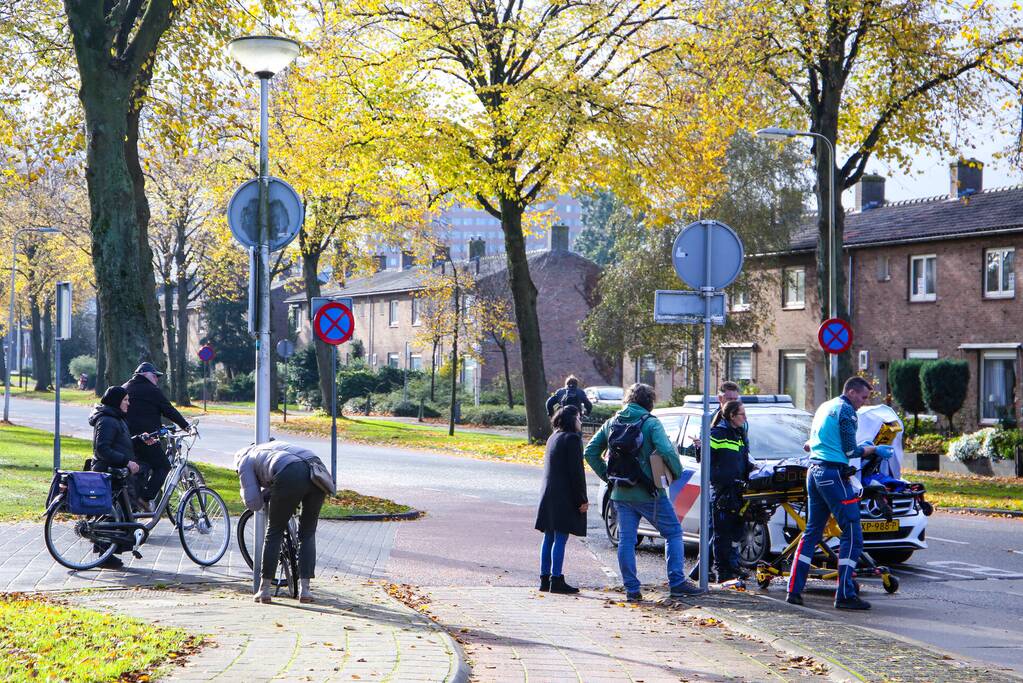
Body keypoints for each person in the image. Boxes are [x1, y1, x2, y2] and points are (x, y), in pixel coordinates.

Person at [584, 383, 701, 602]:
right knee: (673, 533)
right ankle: (677, 583)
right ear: (649, 402)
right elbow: (666, 450)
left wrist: (608, 477)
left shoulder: (612, 422)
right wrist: (676, 472)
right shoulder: (651, 423)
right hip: (650, 493)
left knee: (626, 540)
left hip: (621, 493)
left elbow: (590, 452)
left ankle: (631, 589)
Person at [786, 376, 893, 610]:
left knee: (812, 532)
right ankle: (844, 594)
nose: (863, 403)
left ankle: (793, 589)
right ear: (852, 392)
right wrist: (875, 448)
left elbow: (809, 444)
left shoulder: (826, 406)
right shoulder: (846, 411)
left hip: (814, 472)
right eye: (863, 397)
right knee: (852, 532)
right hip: (833, 474)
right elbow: (850, 450)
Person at [235, 441, 328, 604]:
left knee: (274, 531)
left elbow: (253, 503)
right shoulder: (272, 448)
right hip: (318, 470)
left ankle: (264, 590)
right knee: (307, 533)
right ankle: (305, 591)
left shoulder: (244, 460)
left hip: (290, 473)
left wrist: (259, 495)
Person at [535, 405, 589, 594]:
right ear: (572, 419)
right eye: (578, 418)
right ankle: (556, 579)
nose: (580, 421)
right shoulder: (572, 439)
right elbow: (576, 473)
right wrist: (582, 499)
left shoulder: (553, 437)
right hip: (564, 495)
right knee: (561, 537)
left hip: (549, 493)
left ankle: (544, 578)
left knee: (549, 536)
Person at [123, 362, 190, 510]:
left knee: (143, 466)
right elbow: (169, 410)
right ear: (145, 375)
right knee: (163, 466)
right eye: (155, 376)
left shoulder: (125, 387)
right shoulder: (152, 390)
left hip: (125, 439)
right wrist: (186, 426)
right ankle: (144, 499)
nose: (157, 379)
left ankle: (132, 503)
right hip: (146, 439)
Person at [88, 386, 141, 570]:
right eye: (125, 400)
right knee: (109, 516)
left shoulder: (115, 418)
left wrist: (139, 439)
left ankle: (108, 554)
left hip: (116, 473)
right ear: (116, 401)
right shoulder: (108, 420)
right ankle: (104, 556)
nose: (128, 403)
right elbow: (102, 449)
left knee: (117, 514)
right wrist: (126, 461)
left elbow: (119, 442)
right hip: (108, 472)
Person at [709, 400, 754, 583]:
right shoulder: (717, 433)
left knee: (737, 531)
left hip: (738, 490)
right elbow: (706, 460)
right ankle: (723, 572)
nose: (745, 418)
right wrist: (699, 447)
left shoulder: (739, 433)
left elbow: (741, 460)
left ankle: (732, 566)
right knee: (722, 534)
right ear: (732, 415)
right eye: (742, 414)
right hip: (723, 491)